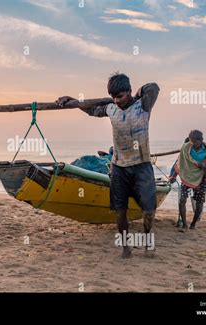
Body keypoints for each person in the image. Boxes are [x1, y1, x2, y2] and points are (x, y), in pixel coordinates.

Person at [56, 72, 160, 258]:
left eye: (120, 96)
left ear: (128, 91)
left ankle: (147, 240)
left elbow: (153, 87)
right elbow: (90, 109)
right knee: (120, 212)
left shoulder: (143, 106)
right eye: (113, 97)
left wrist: (137, 94)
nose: (116, 101)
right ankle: (126, 247)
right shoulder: (110, 108)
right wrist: (72, 100)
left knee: (149, 211)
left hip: (141, 166)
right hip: (119, 167)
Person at [176, 130, 206, 232]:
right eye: (191, 141)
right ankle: (185, 225)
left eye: (195, 142)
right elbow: (181, 161)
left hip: (201, 178)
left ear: (201, 140)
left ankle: (193, 224)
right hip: (187, 177)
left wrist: (205, 165)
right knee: (182, 200)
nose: (193, 144)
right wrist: (173, 174)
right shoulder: (185, 147)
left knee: (199, 202)